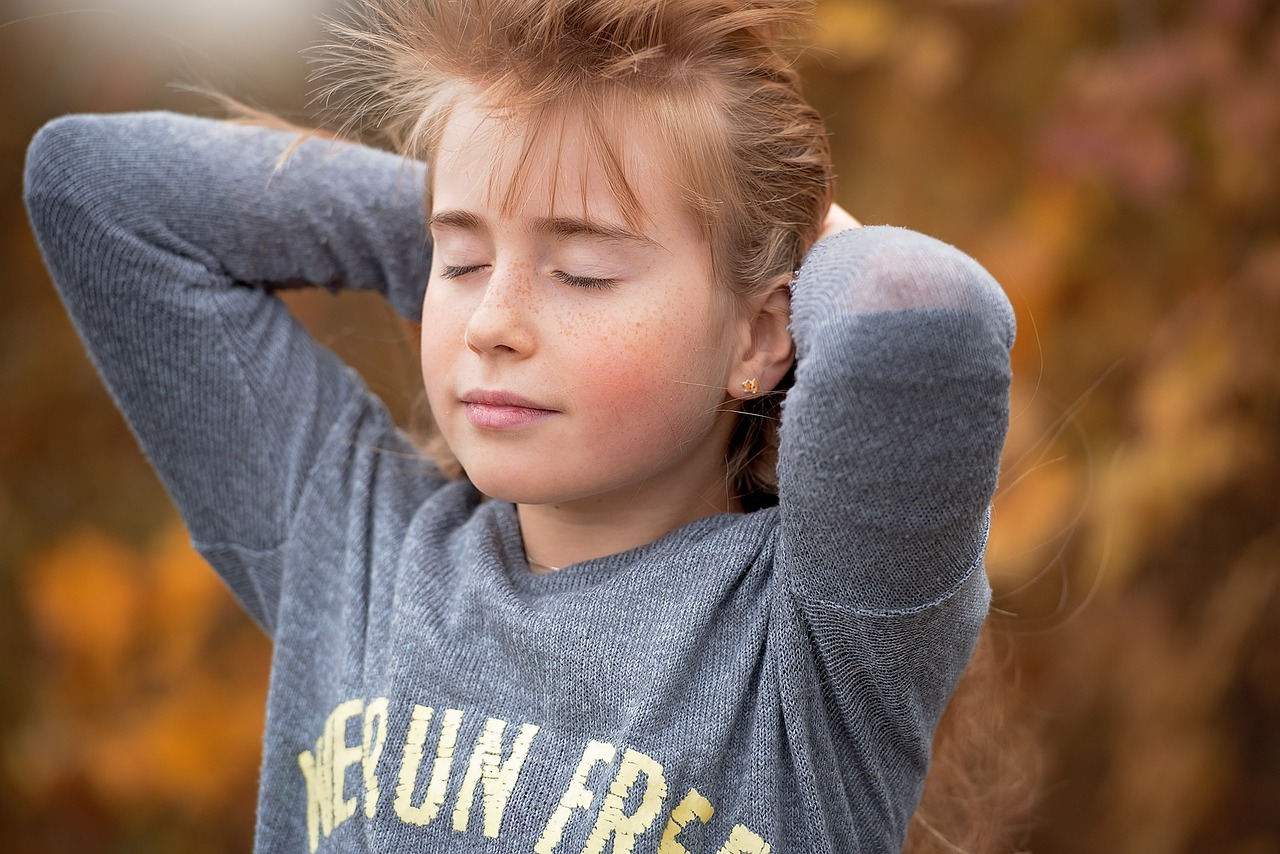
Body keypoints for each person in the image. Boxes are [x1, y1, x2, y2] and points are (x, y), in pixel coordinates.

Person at [23, 0, 1015, 851]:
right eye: (454, 264)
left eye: (580, 270)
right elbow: (90, 186)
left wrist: (773, 219)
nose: (492, 322)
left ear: (761, 332)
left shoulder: (815, 644)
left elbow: (915, 310)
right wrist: (486, 190)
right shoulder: (355, 544)